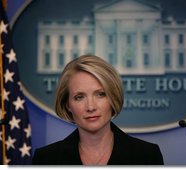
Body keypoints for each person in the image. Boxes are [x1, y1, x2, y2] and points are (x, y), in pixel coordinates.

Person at [32, 54, 164, 165]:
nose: (90, 107)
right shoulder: (45, 159)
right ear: (68, 104)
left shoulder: (147, 156)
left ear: (113, 97)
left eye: (100, 94)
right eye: (79, 97)